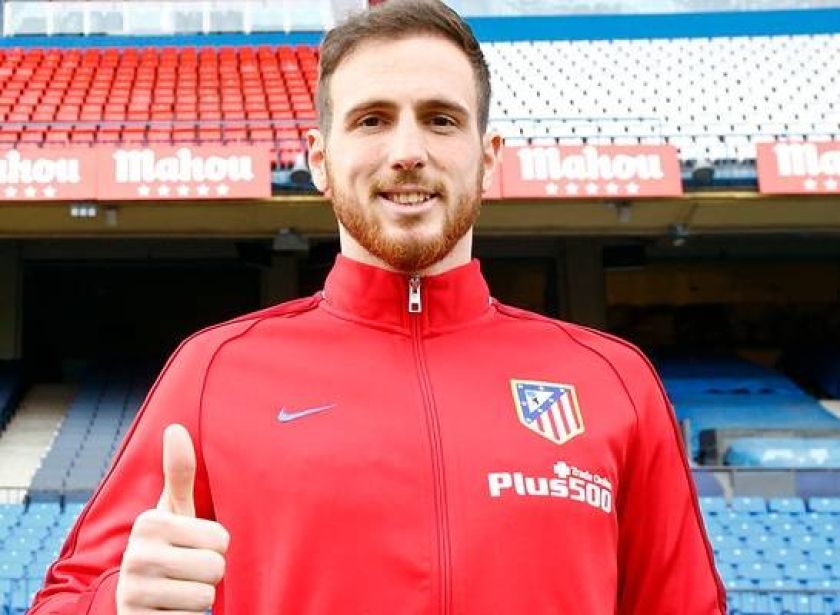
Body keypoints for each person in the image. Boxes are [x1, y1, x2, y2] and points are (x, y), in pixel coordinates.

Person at [29, 1, 726, 613]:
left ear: (488, 159)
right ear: (320, 160)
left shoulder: (614, 382)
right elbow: (61, 602)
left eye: (440, 119)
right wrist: (119, 604)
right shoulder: (213, 370)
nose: (407, 152)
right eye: (371, 120)